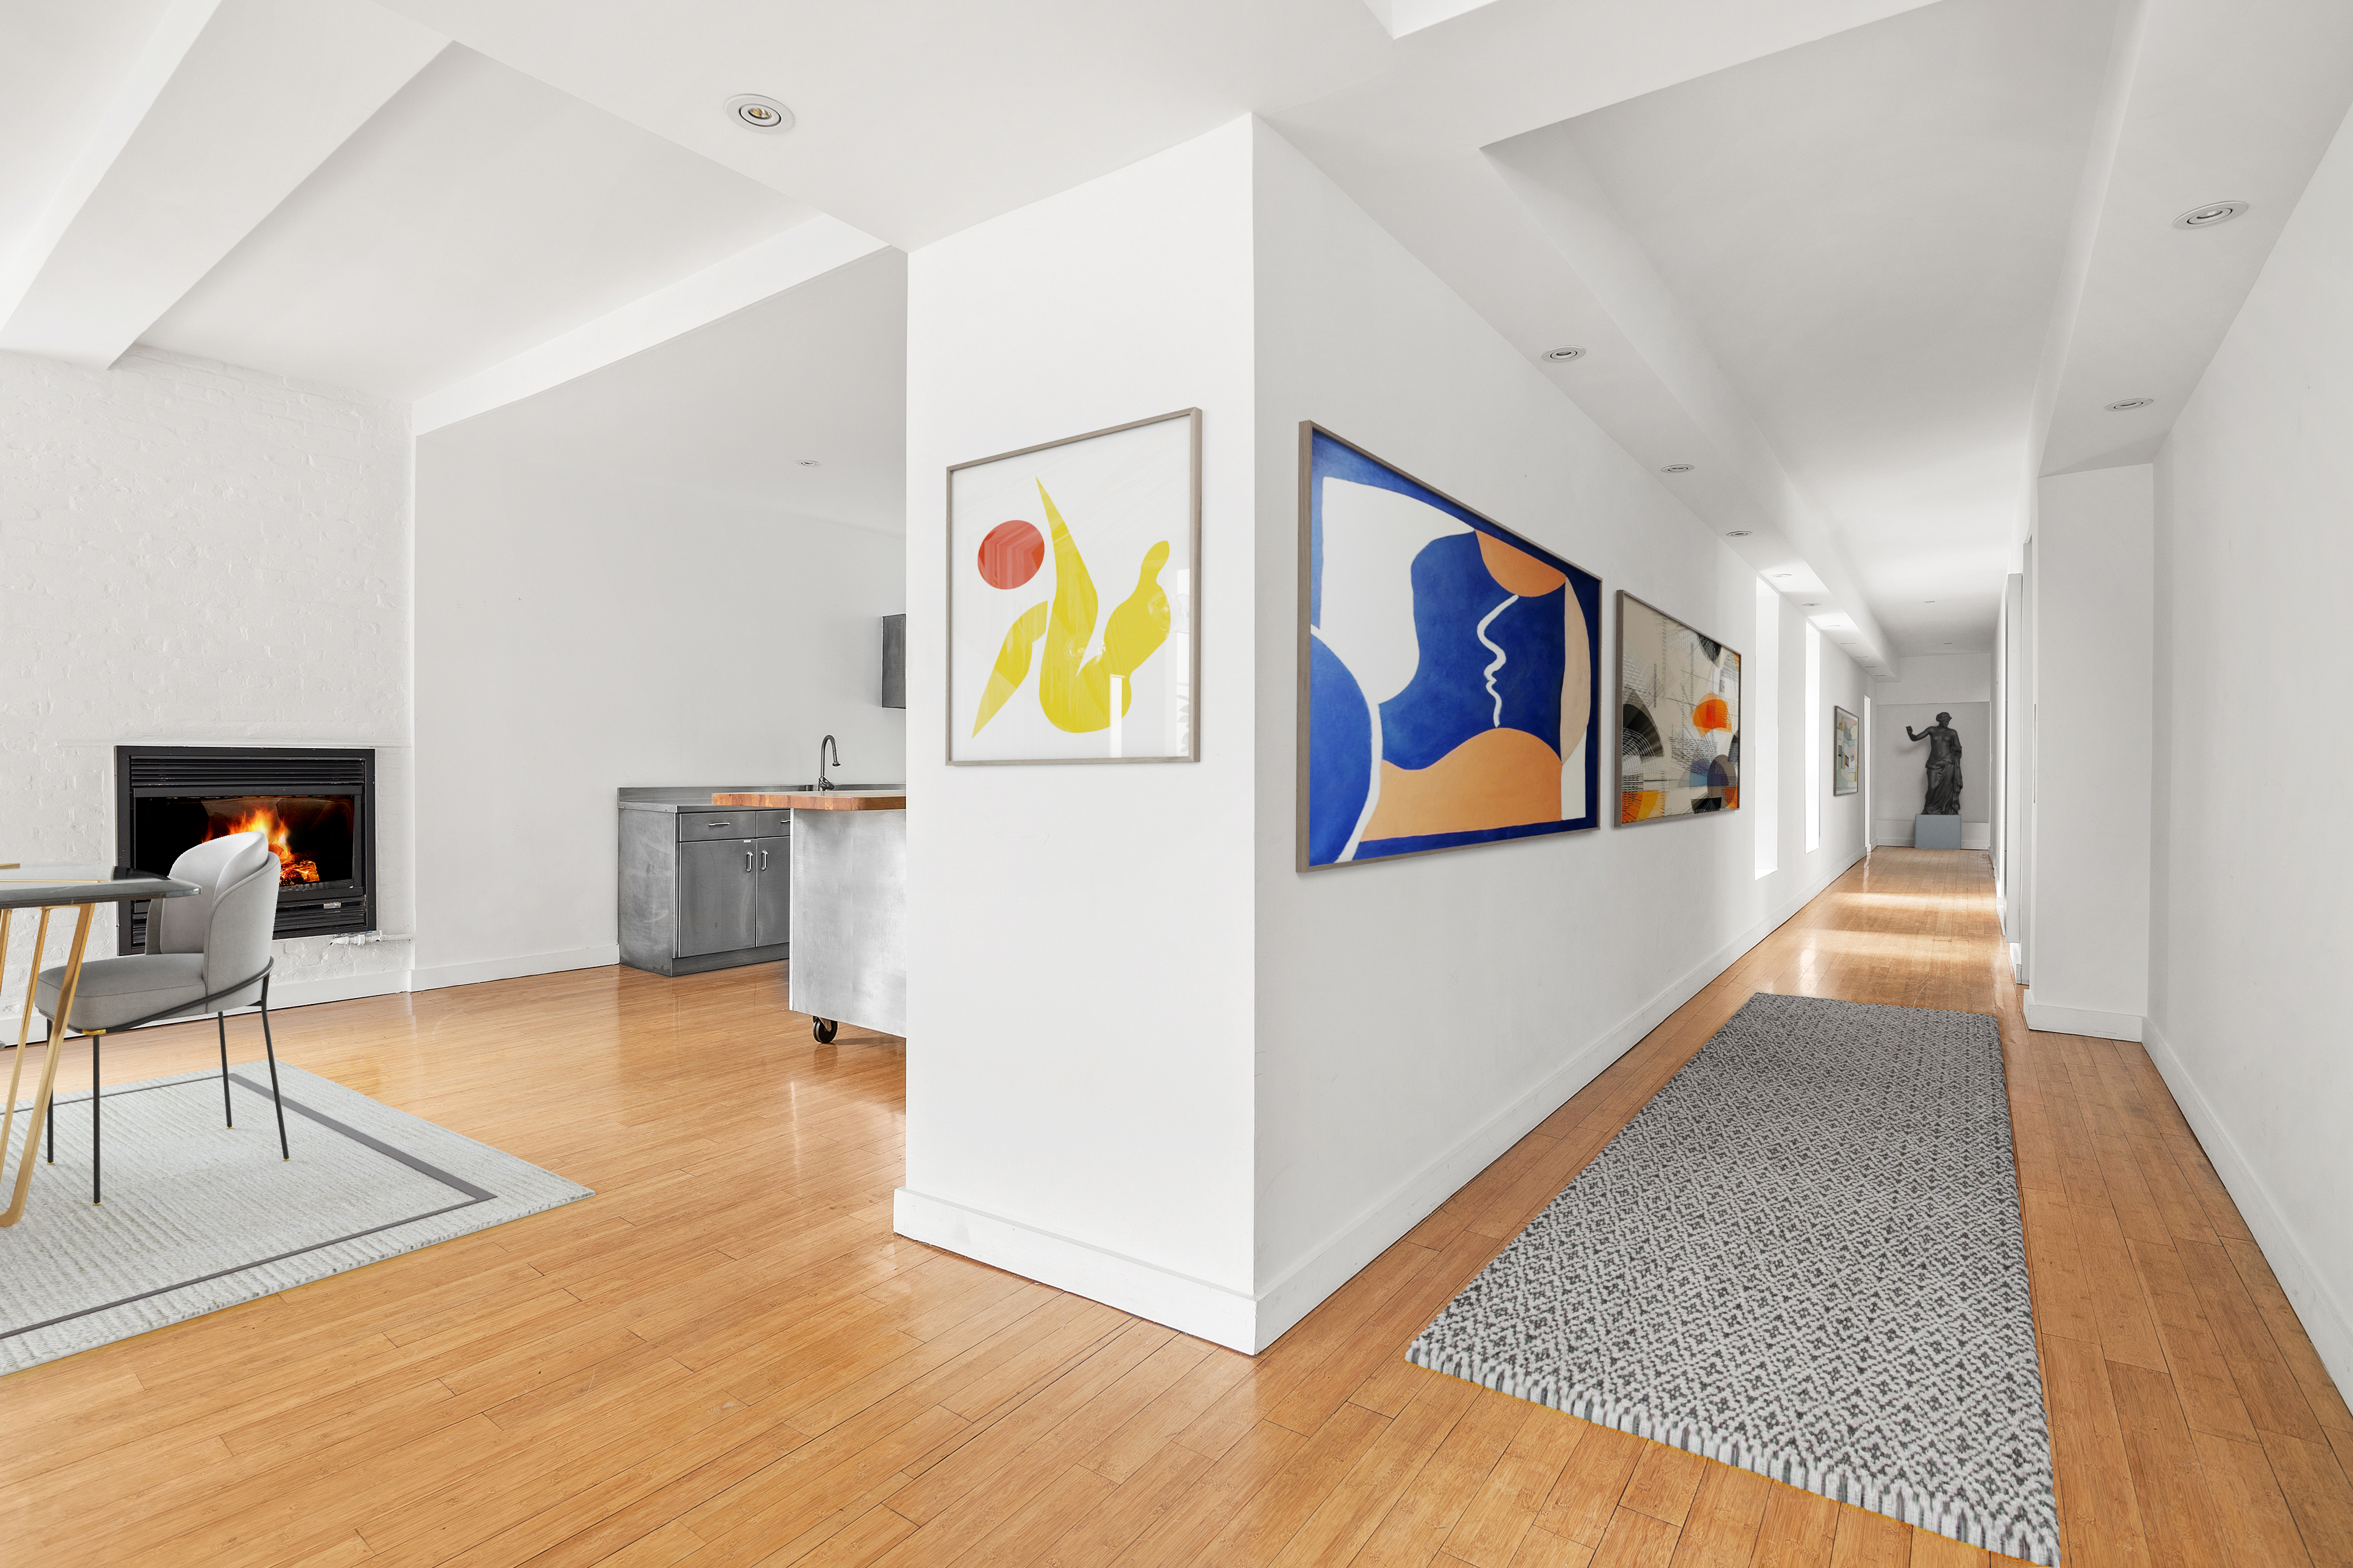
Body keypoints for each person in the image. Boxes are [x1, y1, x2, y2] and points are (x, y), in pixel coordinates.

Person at [1904, 712, 1963, 815]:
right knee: (1932, 787)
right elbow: (1916, 738)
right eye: (1945, 720)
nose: (1947, 722)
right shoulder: (1932, 730)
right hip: (1933, 763)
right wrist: (1910, 734)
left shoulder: (1952, 732)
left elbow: (1958, 746)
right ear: (1939, 720)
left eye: (1948, 720)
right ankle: (1929, 809)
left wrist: (1957, 749)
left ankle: (1945, 809)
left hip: (1948, 763)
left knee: (1946, 789)